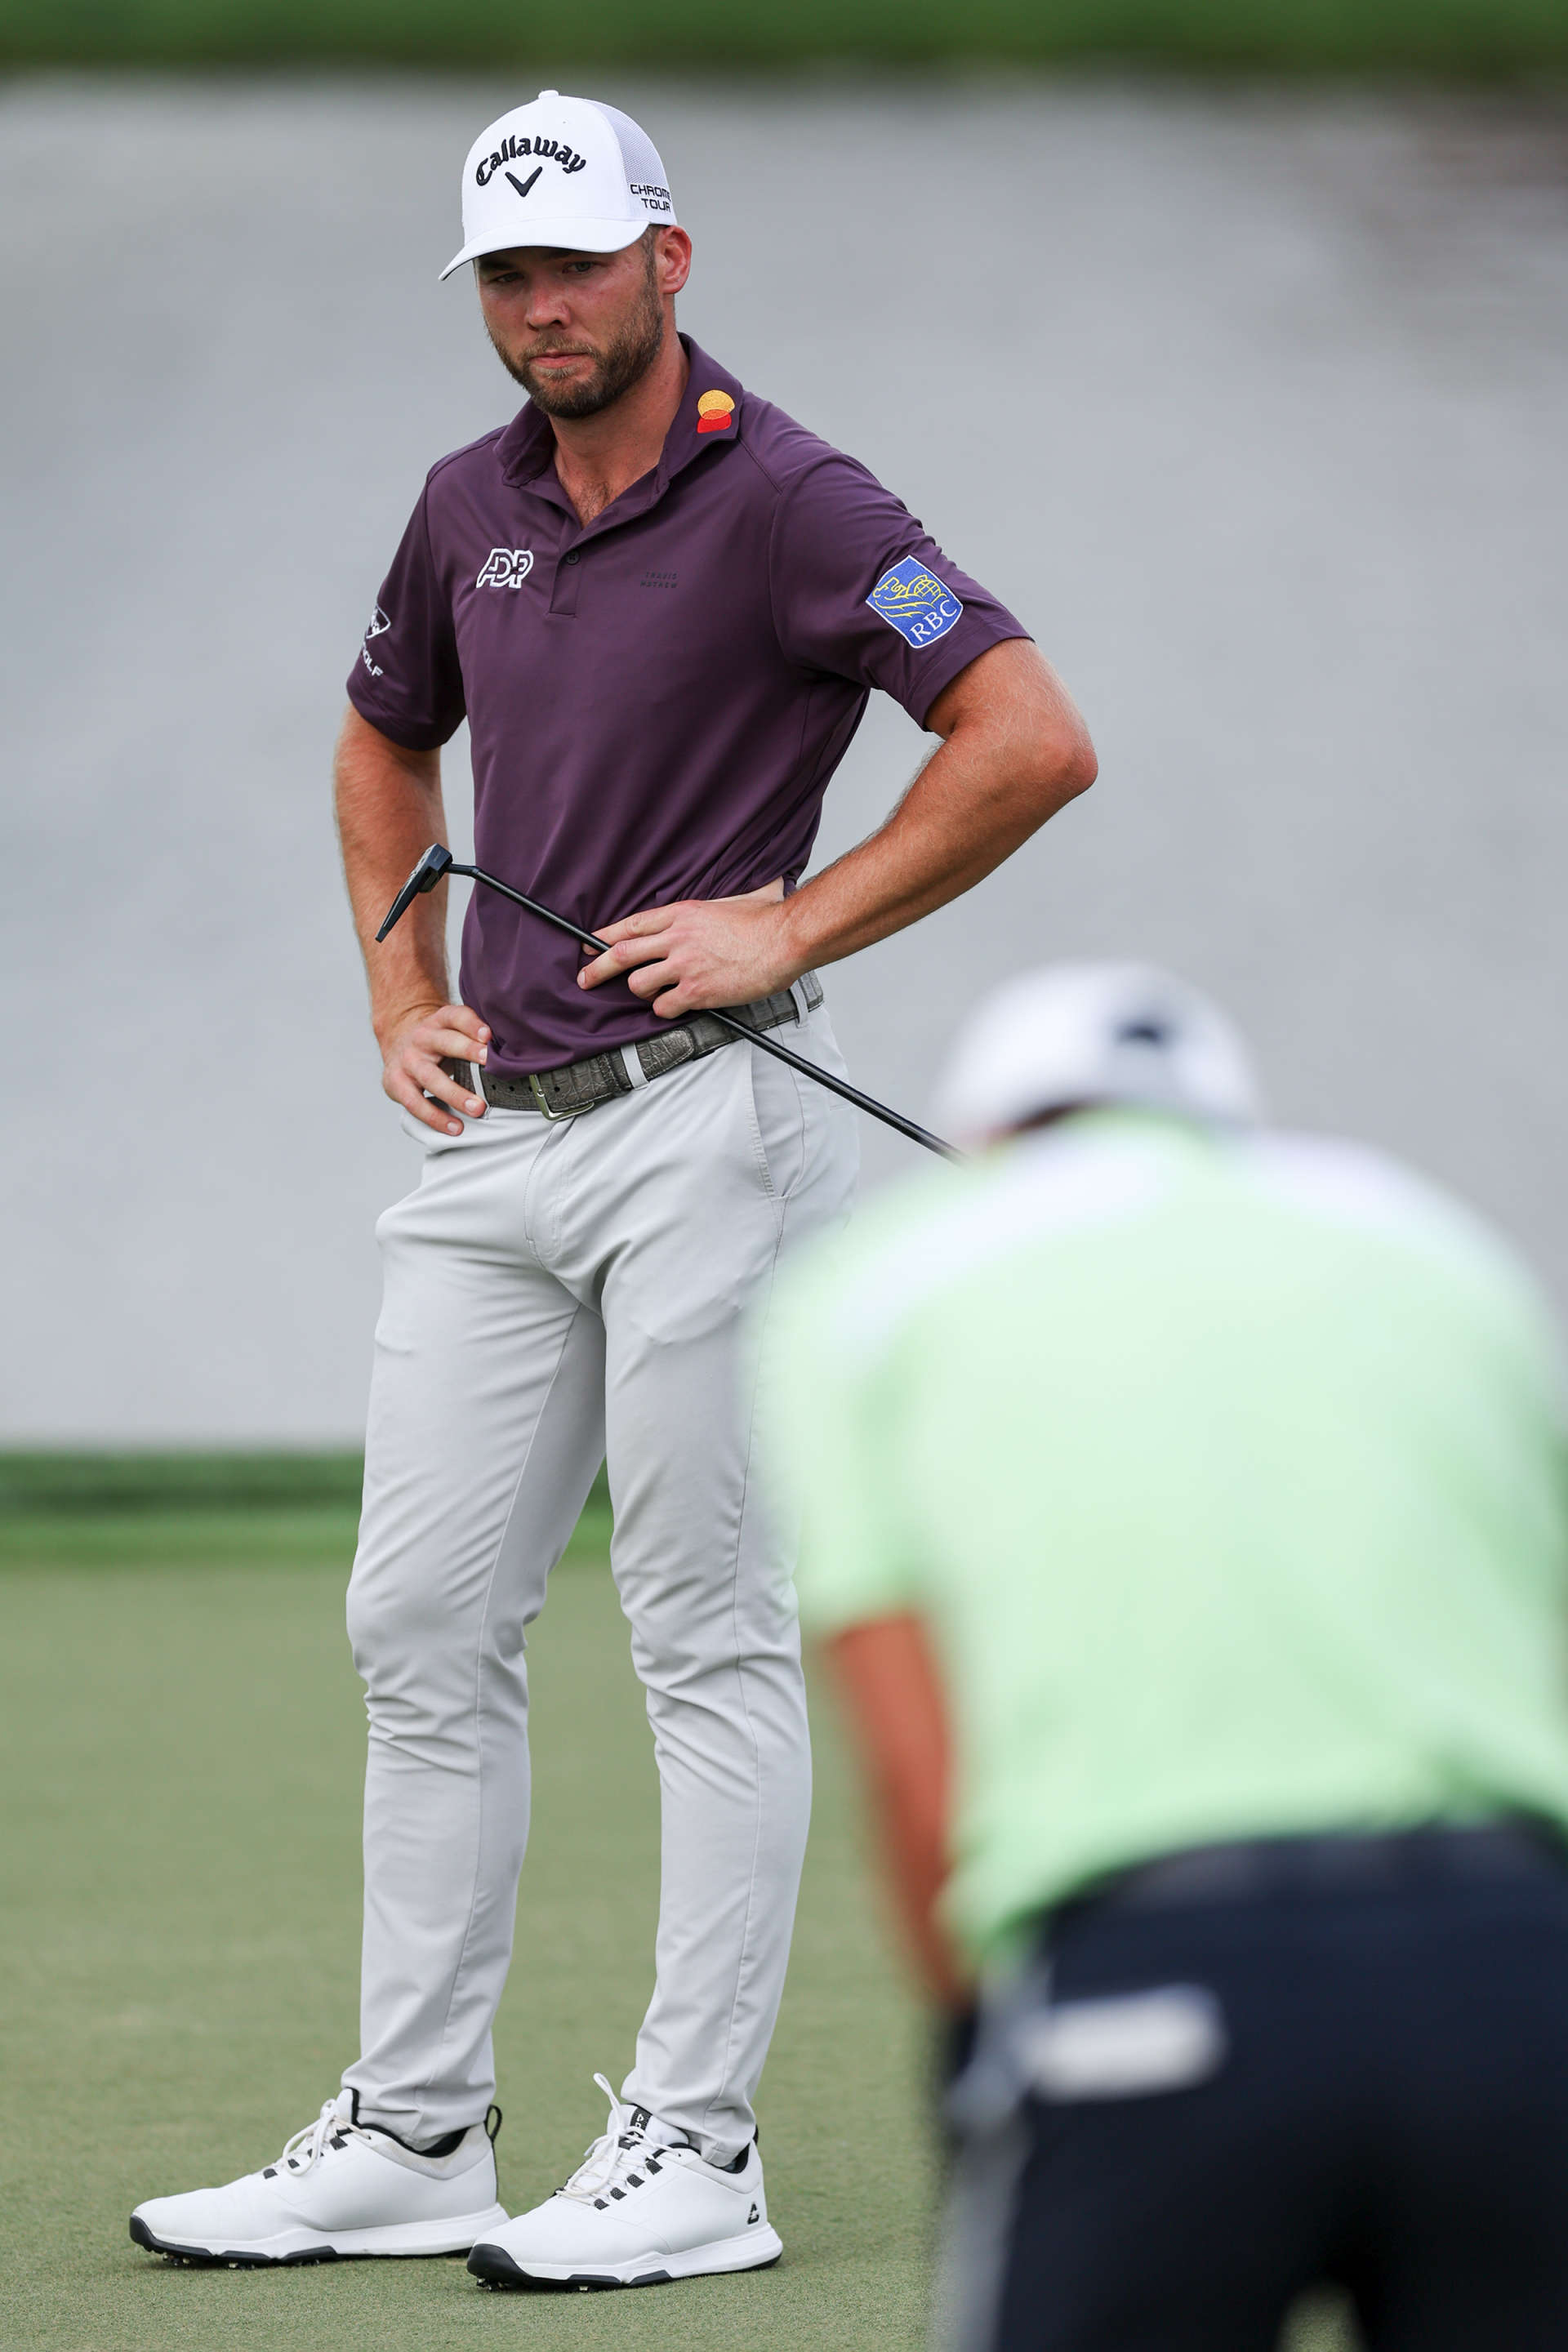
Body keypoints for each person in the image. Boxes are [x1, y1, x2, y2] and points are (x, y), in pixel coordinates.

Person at [128, 91, 1095, 2285]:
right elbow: (388, 737)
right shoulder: (462, 502)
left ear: (671, 258)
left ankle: (694, 2154)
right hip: (501, 1144)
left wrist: (795, 920)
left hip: (718, 1128)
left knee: (703, 1638)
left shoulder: (794, 497)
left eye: (572, 263)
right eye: (503, 271)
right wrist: (395, 988)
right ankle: (416, 2132)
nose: (538, 306)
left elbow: (1027, 733)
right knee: (419, 1624)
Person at [767, 961, 1568, 2351]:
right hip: (1525, 1980)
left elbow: (916, 1764)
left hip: (1160, 1990)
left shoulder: (874, 1293)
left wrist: (974, 2046)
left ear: (990, 1132)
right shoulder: (1433, 1248)